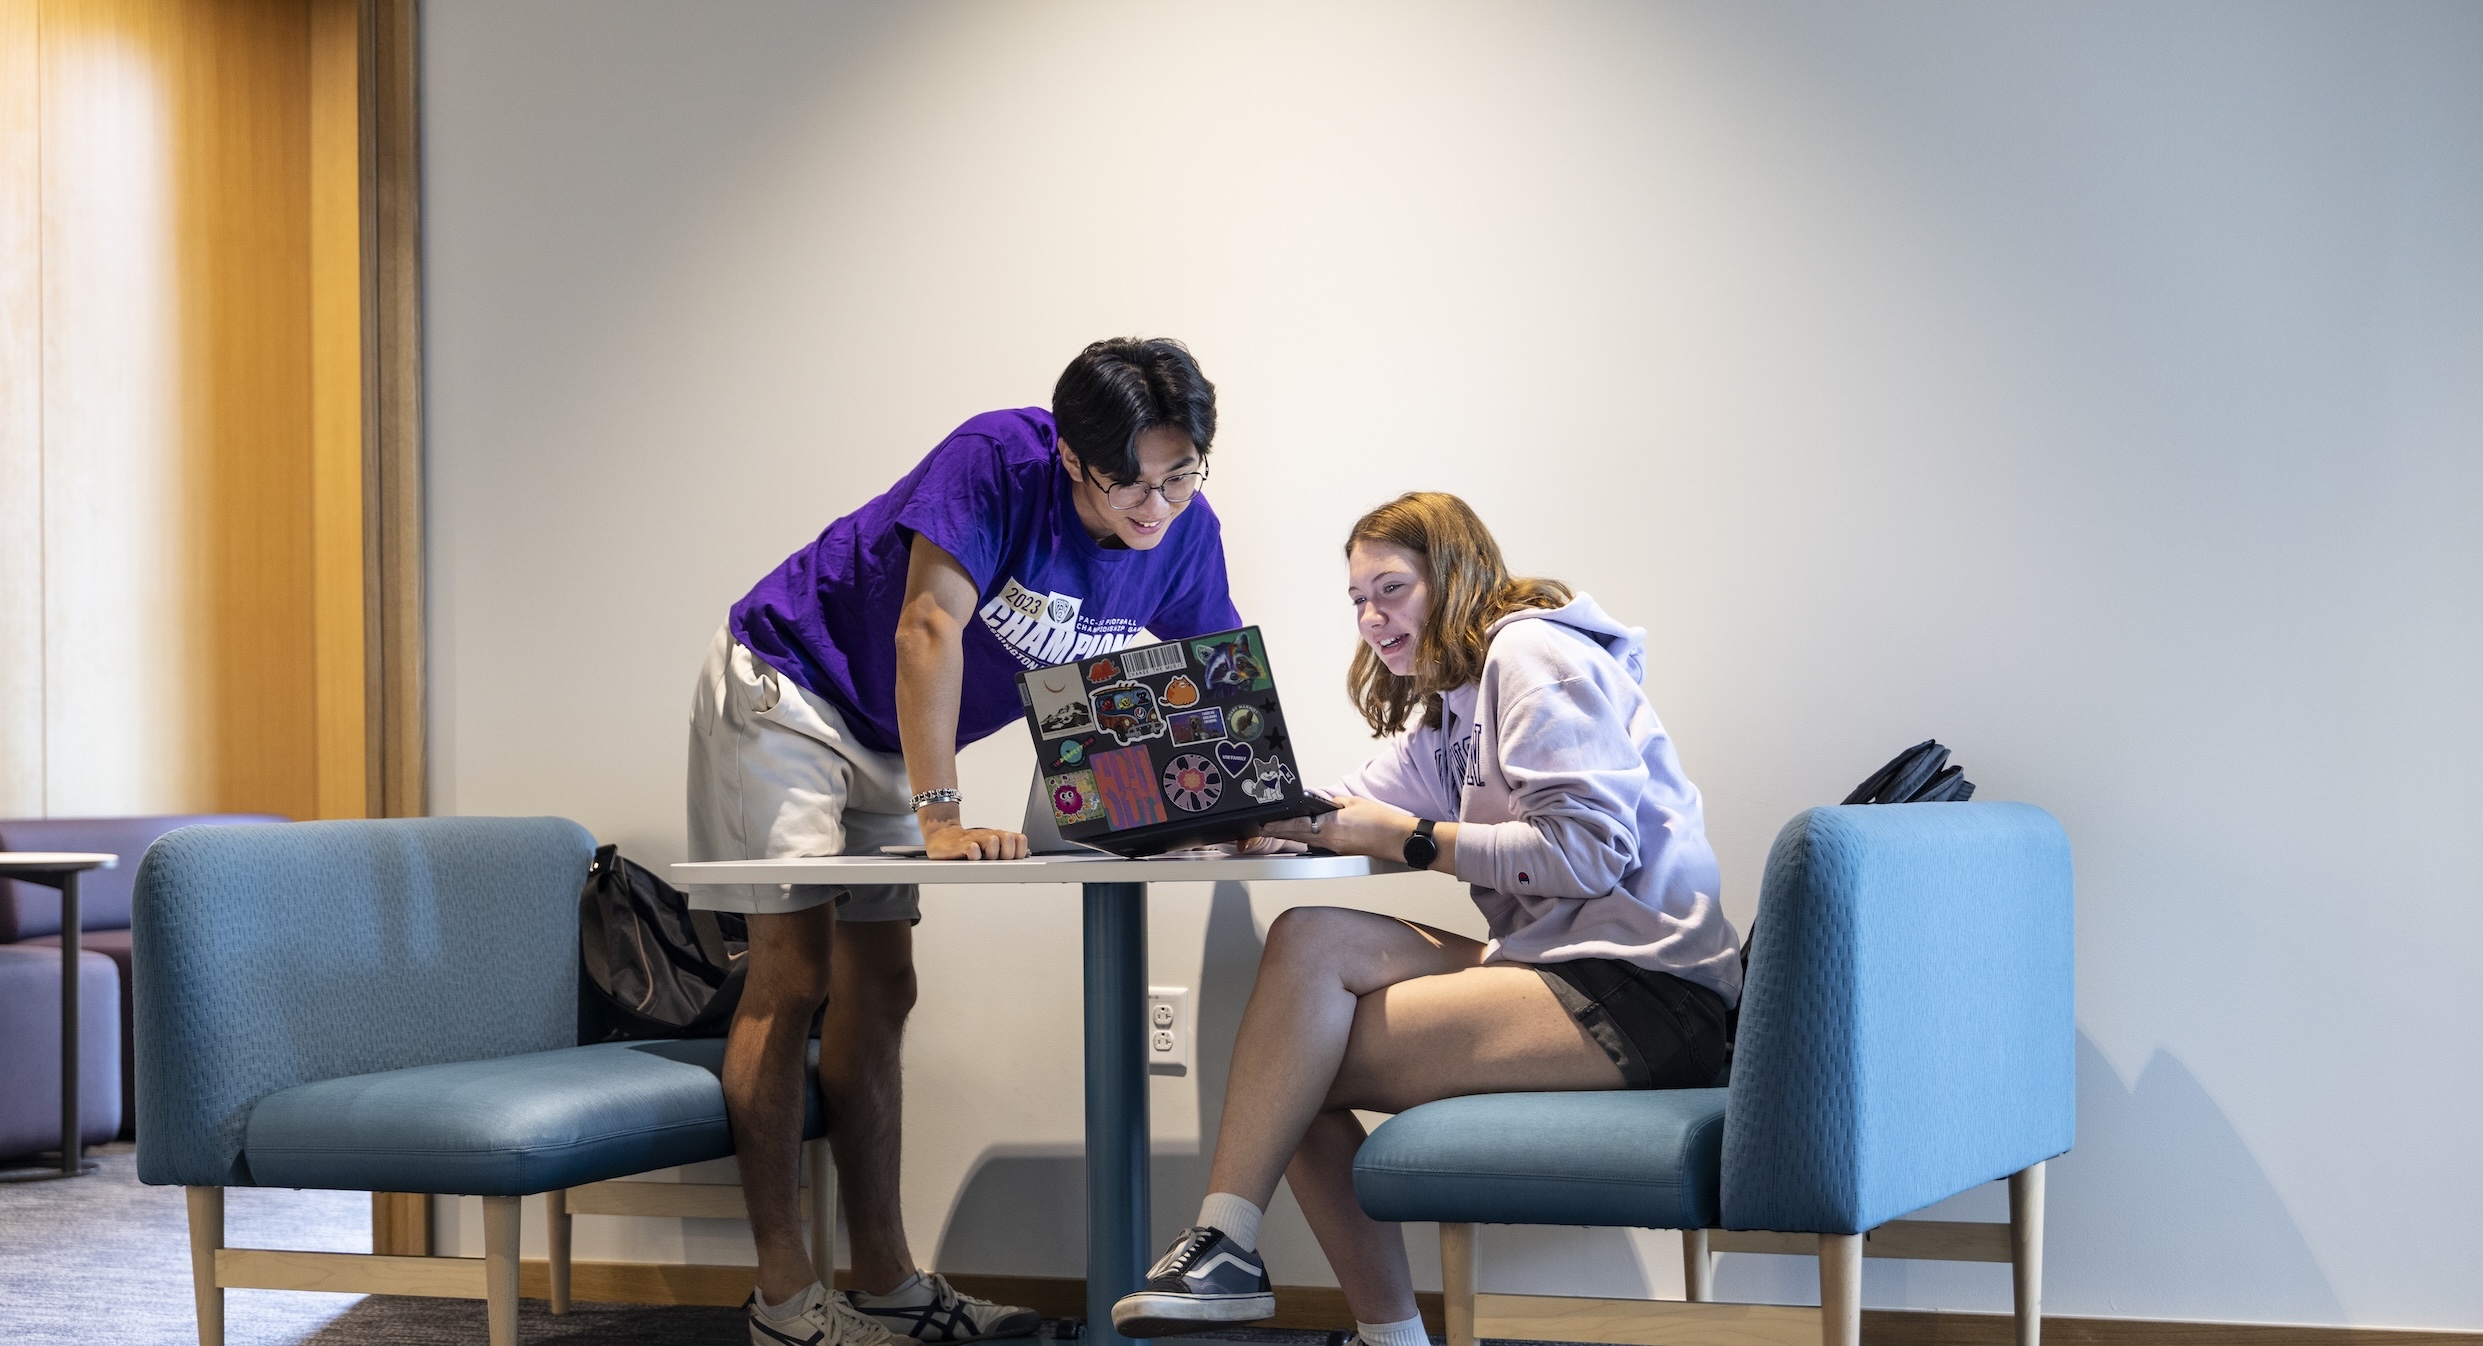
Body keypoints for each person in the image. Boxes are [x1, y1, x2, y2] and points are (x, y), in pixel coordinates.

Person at [689, 339, 1243, 1346]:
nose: (1155, 504)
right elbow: (924, 631)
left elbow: (1203, 683)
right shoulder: (995, 459)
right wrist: (941, 813)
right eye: (1131, 480)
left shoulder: (1184, 530)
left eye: (1180, 473)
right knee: (794, 972)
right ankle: (781, 1296)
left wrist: (1227, 811)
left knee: (884, 985)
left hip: (887, 735)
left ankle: (887, 1279)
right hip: (792, 688)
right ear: (1073, 457)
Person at [1109, 491, 1743, 1346]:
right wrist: (1193, 810)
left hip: (1652, 991)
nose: (1371, 617)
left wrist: (1410, 841)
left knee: (1291, 1075)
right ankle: (1241, 1255)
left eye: (1391, 589)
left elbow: (1589, 853)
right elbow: (1343, 802)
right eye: (1357, 600)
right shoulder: (1451, 710)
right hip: (1561, 968)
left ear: (1452, 577)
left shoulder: (1530, 654)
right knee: (1309, 940)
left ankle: (1322, 1300)